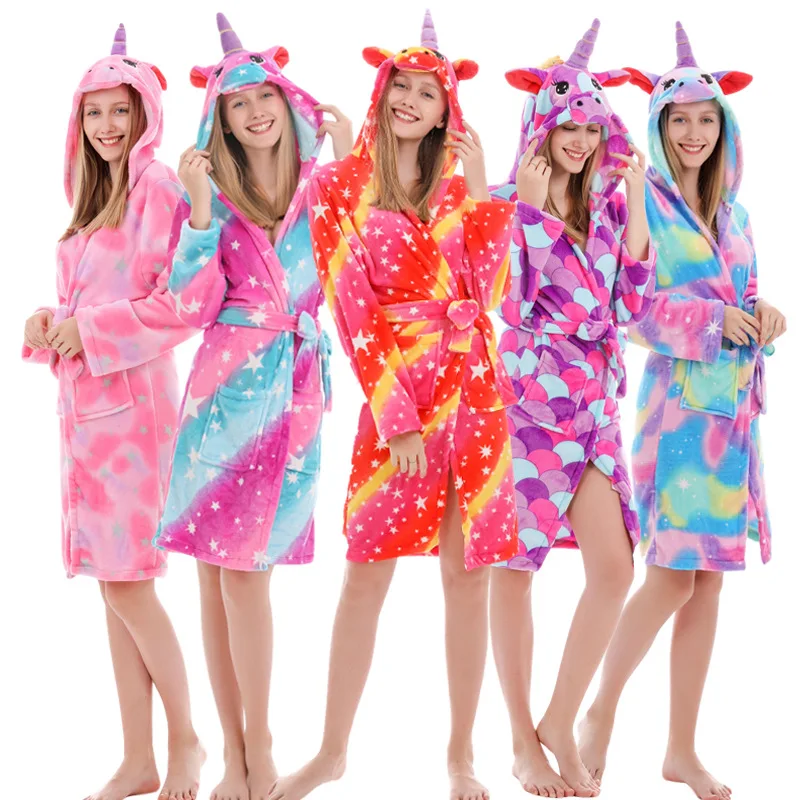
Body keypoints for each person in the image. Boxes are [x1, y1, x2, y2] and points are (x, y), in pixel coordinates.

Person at [270, 11, 517, 800]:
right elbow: (352, 309)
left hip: (474, 393)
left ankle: (461, 755)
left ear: (448, 108)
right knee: (366, 571)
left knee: (467, 576)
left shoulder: (462, 186)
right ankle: (331, 751)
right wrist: (398, 416)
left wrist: (485, 194)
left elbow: (490, 296)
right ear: (381, 92)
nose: (411, 101)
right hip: (397, 396)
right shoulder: (338, 185)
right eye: (400, 87)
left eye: (427, 92)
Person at [579, 22, 785, 800]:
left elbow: (741, 297)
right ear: (659, 127)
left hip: (731, 421)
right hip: (676, 419)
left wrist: (762, 313)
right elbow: (627, 307)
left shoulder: (736, 215)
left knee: (708, 584)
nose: (694, 133)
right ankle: (598, 714)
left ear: (723, 128)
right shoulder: (642, 206)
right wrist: (709, 321)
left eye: (706, 120)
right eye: (680, 121)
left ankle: (681, 750)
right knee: (670, 577)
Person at [151, 13, 352, 800]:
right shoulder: (211, 198)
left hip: (294, 394)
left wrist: (345, 161)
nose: (255, 112)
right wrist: (202, 210)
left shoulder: (324, 186)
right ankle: (236, 755)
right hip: (221, 401)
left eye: (264, 96)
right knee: (214, 575)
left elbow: (356, 274)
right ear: (221, 122)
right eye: (237, 105)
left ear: (286, 101)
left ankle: (258, 747)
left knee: (247, 577)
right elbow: (190, 305)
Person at [21, 23, 204, 800]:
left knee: (129, 584)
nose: (106, 125)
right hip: (89, 420)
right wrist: (49, 323)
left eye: (119, 111)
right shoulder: (93, 198)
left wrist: (89, 331)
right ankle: (138, 757)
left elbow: (181, 303)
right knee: (112, 584)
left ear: (145, 113)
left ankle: (187, 741)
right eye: (93, 112)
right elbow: (92, 299)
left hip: (134, 418)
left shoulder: (157, 187)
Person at [490, 19, 655, 798]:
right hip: (528, 404)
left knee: (614, 568)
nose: (582, 142)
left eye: (593, 128)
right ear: (542, 128)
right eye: (569, 127)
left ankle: (558, 720)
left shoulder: (611, 209)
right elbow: (506, 305)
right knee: (514, 567)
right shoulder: (506, 201)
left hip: (593, 406)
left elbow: (633, 305)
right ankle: (520, 743)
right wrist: (528, 212)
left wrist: (640, 204)